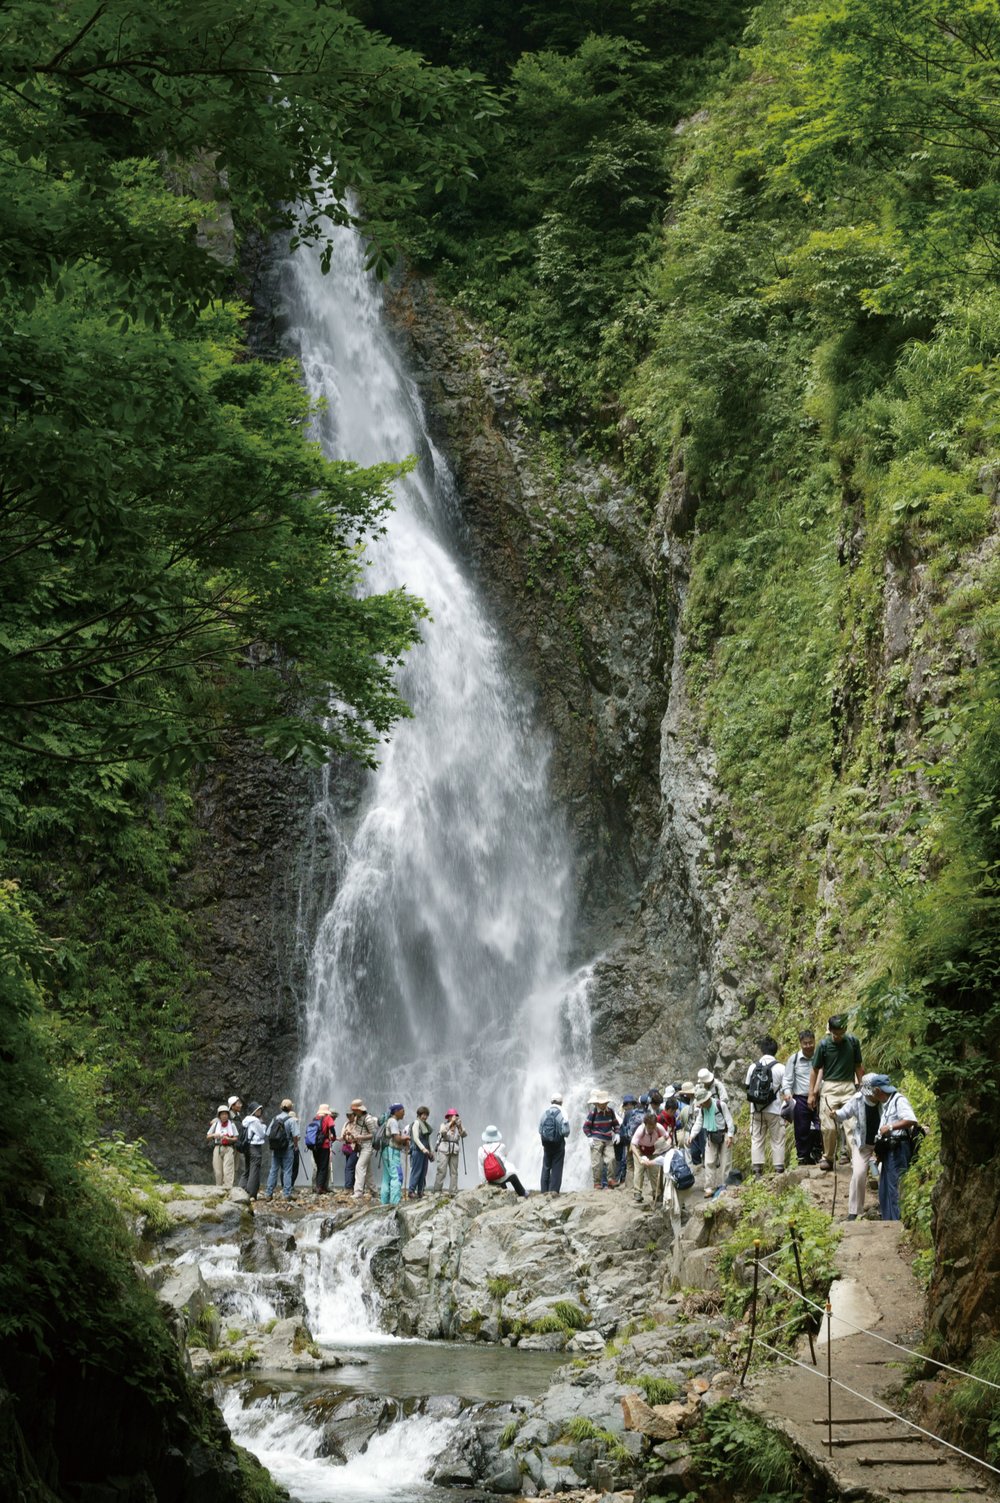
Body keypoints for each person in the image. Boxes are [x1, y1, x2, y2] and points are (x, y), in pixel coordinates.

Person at [807, 1014, 863, 1170]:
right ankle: (828, 1157)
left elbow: (858, 1066)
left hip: (849, 1087)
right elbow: (815, 1070)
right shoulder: (824, 1045)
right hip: (829, 1088)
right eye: (836, 1033)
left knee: (851, 1126)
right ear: (830, 1030)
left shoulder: (853, 1042)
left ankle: (856, 1159)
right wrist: (811, 1094)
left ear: (845, 1029)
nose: (838, 1036)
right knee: (828, 1127)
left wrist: (862, 1087)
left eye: (841, 1033)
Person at [869, 1075, 920, 1222]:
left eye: (873, 1091)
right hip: (887, 1151)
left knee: (895, 1187)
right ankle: (888, 1221)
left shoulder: (899, 1100)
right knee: (884, 1190)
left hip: (898, 1149)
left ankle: (897, 1222)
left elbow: (911, 1120)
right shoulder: (887, 1104)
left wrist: (890, 1127)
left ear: (877, 1090)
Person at [834, 1074, 882, 1221]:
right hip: (862, 1145)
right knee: (859, 1173)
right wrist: (835, 1114)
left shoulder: (885, 1099)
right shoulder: (858, 1099)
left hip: (882, 1144)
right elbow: (844, 1113)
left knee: (883, 1172)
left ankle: (884, 1206)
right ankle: (854, 1211)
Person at [746, 1036, 786, 1177]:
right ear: (775, 1050)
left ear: (762, 1050)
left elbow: (747, 1087)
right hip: (775, 1110)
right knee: (777, 1139)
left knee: (757, 1139)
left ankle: (757, 1172)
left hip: (756, 1110)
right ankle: (778, 1170)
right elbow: (786, 1090)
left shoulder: (753, 1067)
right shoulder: (781, 1068)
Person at [783, 1029, 821, 1165]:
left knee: (821, 1125)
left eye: (811, 1042)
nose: (808, 1046)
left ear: (814, 1041)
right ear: (800, 1043)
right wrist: (787, 1093)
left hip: (820, 1097)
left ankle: (819, 1152)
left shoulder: (820, 1056)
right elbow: (787, 1079)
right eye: (805, 1043)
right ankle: (803, 1157)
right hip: (800, 1098)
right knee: (801, 1129)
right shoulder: (794, 1060)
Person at [689, 1085, 735, 1199]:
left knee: (725, 1161)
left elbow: (729, 1121)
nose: (701, 1105)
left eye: (702, 1102)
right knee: (709, 1162)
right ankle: (710, 1187)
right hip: (710, 1136)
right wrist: (692, 1135)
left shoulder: (721, 1105)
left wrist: (730, 1136)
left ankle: (725, 1185)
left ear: (707, 1099)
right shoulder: (702, 1110)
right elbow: (699, 1123)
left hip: (724, 1135)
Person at [630, 1110, 670, 1204]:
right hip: (639, 1149)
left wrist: (665, 1147)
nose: (651, 1129)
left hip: (654, 1150)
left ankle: (657, 1193)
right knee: (639, 1170)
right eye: (649, 1127)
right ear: (645, 1124)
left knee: (655, 1172)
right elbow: (633, 1145)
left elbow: (668, 1137)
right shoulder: (640, 1130)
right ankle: (637, 1193)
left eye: (653, 1126)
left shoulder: (659, 1127)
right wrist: (639, 1158)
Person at [583, 1091, 619, 1190]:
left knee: (611, 1159)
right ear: (597, 1103)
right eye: (601, 1103)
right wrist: (589, 1137)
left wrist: (617, 1133)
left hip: (608, 1139)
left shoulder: (611, 1111)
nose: (603, 1105)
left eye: (605, 1103)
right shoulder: (593, 1113)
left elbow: (616, 1124)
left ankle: (611, 1180)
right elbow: (586, 1127)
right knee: (596, 1162)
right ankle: (597, 1183)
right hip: (596, 1139)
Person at [264, 1098, 299, 1201]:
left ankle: (268, 1193)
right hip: (288, 1148)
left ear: (281, 1107)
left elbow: (268, 1133)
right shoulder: (292, 1120)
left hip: (276, 1149)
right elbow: (296, 1136)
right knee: (287, 1171)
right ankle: (286, 1194)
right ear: (291, 1108)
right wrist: (295, 1146)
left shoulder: (275, 1119)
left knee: (273, 1170)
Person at [478, 1126, 527, 1197]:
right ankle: (523, 1193)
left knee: (501, 1177)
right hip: (499, 1176)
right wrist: (504, 1156)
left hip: (490, 1179)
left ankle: (504, 1190)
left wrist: (484, 1182)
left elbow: (481, 1166)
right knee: (513, 1176)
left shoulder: (481, 1149)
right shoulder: (501, 1146)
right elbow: (502, 1164)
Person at [345, 1099, 378, 1200]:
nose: (353, 1112)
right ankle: (374, 1191)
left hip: (367, 1147)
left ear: (359, 1109)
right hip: (360, 1146)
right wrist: (351, 1134)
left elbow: (374, 1134)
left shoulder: (368, 1119)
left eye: (354, 1110)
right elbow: (358, 1131)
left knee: (359, 1167)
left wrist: (361, 1137)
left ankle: (358, 1192)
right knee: (367, 1171)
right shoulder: (357, 1118)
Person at [538, 1094, 571, 1193]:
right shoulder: (562, 1113)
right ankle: (553, 1191)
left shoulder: (545, 1113)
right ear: (561, 1102)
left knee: (546, 1167)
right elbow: (566, 1132)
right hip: (558, 1144)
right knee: (557, 1167)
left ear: (551, 1102)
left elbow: (540, 1130)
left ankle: (544, 1191)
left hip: (546, 1144)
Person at [432, 1109, 467, 1195]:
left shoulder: (458, 1126)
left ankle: (453, 1191)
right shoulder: (444, 1125)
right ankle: (437, 1190)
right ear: (448, 1117)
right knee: (441, 1170)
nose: (454, 1117)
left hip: (454, 1150)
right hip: (444, 1149)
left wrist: (460, 1126)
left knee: (454, 1172)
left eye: (455, 1116)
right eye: (452, 1116)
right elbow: (443, 1132)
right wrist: (451, 1123)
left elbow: (464, 1135)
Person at [380, 1105, 408, 1206]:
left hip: (386, 1151)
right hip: (392, 1152)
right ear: (396, 1111)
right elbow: (397, 1139)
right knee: (397, 1176)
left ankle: (384, 1203)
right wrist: (406, 1138)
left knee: (387, 1177)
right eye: (402, 1111)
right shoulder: (393, 1122)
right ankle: (394, 1204)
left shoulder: (389, 1121)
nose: (404, 1113)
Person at [307, 1104, 337, 1194]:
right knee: (323, 1167)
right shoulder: (328, 1118)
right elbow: (332, 1128)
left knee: (318, 1166)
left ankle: (317, 1186)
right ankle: (320, 1187)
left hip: (315, 1146)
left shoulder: (315, 1118)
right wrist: (334, 1137)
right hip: (324, 1146)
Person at [617, 1093, 645, 1187]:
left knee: (630, 1163)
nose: (629, 1106)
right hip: (641, 1141)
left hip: (631, 1141)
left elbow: (624, 1127)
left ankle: (629, 1185)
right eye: (627, 1104)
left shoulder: (627, 1114)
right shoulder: (644, 1113)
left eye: (630, 1104)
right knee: (637, 1162)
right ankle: (638, 1184)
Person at [207, 1104, 237, 1188]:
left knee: (228, 1171)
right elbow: (208, 1136)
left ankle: (228, 1188)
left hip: (229, 1148)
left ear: (228, 1115)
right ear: (219, 1115)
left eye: (226, 1114)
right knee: (218, 1172)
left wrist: (229, 1138)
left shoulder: (232, 1124)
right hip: (218, 1148)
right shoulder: (215, 1124)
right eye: (222, 1114)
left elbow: (236, 1138)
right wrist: (214, 1135)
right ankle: (219, 1188)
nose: (224, 1116)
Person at [408, 1106, 434, 1199]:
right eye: (423, 1115)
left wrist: (431, 1150)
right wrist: (423, 1149)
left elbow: (428, 1139)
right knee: (416, 1171)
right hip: (418, 1151)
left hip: (425, 1152)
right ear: (419, 1115)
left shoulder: (425, 1125)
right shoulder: (416, 1123)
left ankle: (420, 1191)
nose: (425, 1117)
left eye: (426, 1115)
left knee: (423, 1172)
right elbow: (415, 1138)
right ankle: (411, 1191)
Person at [243, 1102, 266, 1199]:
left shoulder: (246, 1120)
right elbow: (262, 1134)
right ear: (253, 1111)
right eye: (257, 1109)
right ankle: (251, 1193)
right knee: (254, 1170)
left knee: (248, 1169)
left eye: (260, 1109)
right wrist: (263, 1126)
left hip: (247, 1146)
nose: (259, 1111)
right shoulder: (255, 1121)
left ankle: (241, 1189)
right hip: (255, 1147)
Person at [227, 1096, 246, 1188]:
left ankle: (233, 1184)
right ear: (232, 1106)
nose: (240, 1105)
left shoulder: (238, 1116)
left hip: (238, 1145)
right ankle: (228, 1185)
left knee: (236, 1166)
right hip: (230, 1145)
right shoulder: (227, 1116)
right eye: (238, 1103)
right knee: (230, 1165)